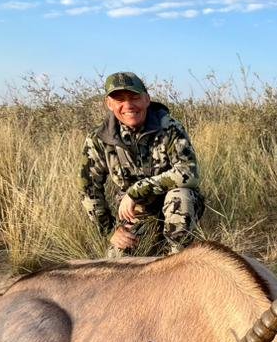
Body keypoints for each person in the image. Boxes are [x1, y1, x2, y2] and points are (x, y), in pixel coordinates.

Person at [79, 72, 204, 257]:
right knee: (118, 258)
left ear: (147, 99)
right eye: (119, 99)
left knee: (180, 196)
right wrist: (110, 230)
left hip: (174, 203)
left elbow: (188, 173)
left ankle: (177, 259)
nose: (128, 105)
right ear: (109, 104)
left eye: (135, 97)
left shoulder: (170, 127)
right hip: (137, 211)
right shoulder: (99, 138)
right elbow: (89, 187)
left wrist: (137, 190)